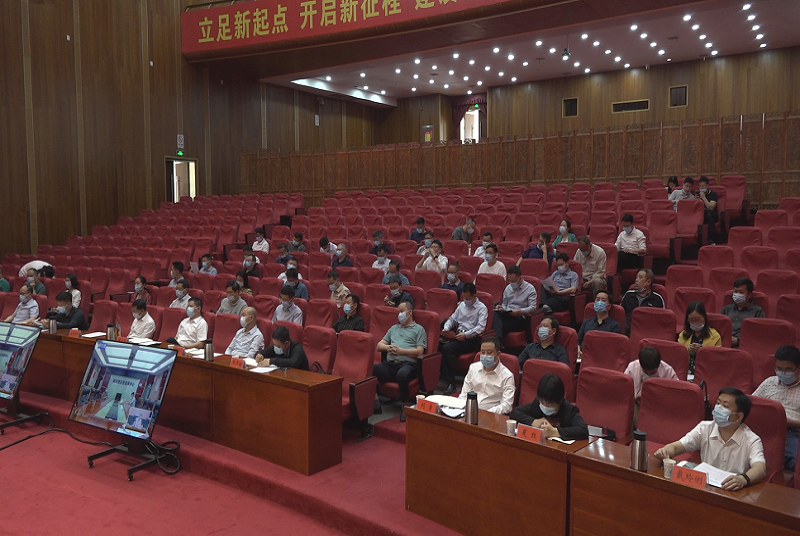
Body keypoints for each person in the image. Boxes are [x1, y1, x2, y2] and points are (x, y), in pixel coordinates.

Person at [655, 387, 766, 491]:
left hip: (732, 491)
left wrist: (743, 479)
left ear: (738, 417)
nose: (718, 408)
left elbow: (760, 468)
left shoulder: (752, 440)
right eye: (718, 403)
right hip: (705, 488)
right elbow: (676, 447)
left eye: (725, 406)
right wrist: (665, 451)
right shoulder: (704, 428)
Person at [374, 302, 427, 421]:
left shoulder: (419, 329)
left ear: (410, 312)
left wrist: (401, 351)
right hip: (390, 365)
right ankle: (375, 402)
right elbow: (379, 346)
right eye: (398, 312)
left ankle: (405, 405)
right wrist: (388, 348)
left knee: (402, 374)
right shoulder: (394, 328)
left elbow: (420, 351)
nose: (399, 314)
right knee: (369, 369)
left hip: (408, 364)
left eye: (402, 311)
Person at [752, 345, 800, 471]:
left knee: (796, 462)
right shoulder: (769, 382)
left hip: (791, 433)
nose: (783, 373)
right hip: (763, 429)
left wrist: (787, 421)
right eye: (779, 369)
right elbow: (751, 404)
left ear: (798, 368)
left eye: (788, 369)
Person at [441, 283, 489, 394]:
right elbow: (452, 319)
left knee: (448, 348)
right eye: (464, 298)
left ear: (474, 296)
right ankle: (443, 377)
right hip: (458, 335)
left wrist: (466, 335)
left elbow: (480, 328)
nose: (465, 300)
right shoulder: (462, 305)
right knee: (438, 344)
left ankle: (451, 383)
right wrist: (446, 329)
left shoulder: (482, 308)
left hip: (471, 338)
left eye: (468, 298)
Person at [510, 374, 589, 440]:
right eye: (542, 402)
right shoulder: (537, 404)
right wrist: (533, 422)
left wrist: (555, 432)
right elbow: (514, 413)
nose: (545, 406)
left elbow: (583, 430)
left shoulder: (569, 410)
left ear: (560, 400)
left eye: (550, 404)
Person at [457, 337, 515, 414]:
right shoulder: (473, 368)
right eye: (483, 352)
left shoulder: (507, 376)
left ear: (498, 354)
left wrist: (486, 413)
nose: (485, 355)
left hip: (491, 415)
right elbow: (464, 394)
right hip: (469, 411)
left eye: (489, 352)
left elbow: (507, 405)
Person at [493, 266, 537, 339]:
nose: (511, 283)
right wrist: (501, 308)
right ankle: (497, 339)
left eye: (513, 281)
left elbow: (533, 307)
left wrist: (519, 311)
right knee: (494, 314)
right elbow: (505, 304)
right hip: (508, 313)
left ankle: (497, 339)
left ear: (520, 278)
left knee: (500, 325)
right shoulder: (508, 288)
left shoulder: (530, 289)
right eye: (510, 281)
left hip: (520, 317)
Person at [677, 301, 722, 373]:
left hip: (707, 372)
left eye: (697, 319)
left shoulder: (715, 336)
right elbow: (678, 360)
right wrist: (687, 353)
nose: (695, 323)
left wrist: (702, 352)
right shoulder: (683, 335)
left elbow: (717, 360)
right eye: (691, 320)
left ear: (704, 317)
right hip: (687, 372)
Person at [720, 277, 764, 348]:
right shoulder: (727, 309)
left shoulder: (757, 311)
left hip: (745, 346)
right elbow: (718, 327)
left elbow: (758, 334)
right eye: (735, 292)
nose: (737, 295)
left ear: (749, 295)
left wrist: (738, 341)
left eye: (741, 292)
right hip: (723, 344)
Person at [620, 269, 665, 335]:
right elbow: (621, 314)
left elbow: (660, 320)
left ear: (648, 282)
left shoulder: (657, 299)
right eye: (636, 277)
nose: (636, 280)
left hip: (647, 331)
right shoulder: (628, 295)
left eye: (640, 277)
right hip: (628, 329)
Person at [696, 176, 719, 243]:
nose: (702, 188)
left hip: (712, 214)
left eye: (703, 186)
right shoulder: (698, 195)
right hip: (701, 213)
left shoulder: (713, 194)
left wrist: (703, 198)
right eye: (700, 186)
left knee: (708, 216)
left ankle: (711, 239)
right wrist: (696, 200)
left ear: (707, 185)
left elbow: (711, 207)